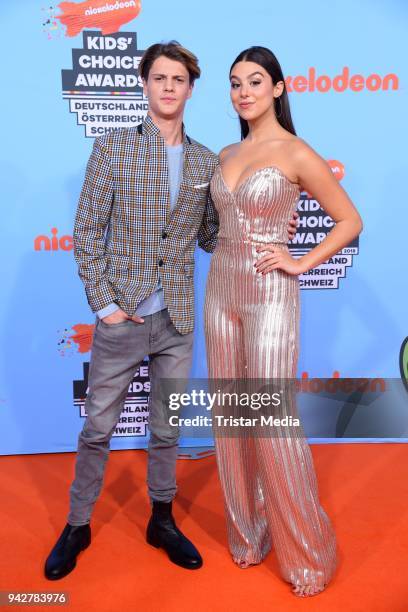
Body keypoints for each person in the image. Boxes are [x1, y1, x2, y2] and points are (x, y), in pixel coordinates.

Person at [44, 40, 299, 580]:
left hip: (179, 319)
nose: (167, 87)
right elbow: (87, 231)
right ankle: (77, 523)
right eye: (158, 77)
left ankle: (161, 518)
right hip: (125, 317)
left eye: (177, 79)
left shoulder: (209, 160)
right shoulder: (113, 148)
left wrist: (265, 227)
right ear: (144, 84)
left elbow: (211, 234)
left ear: (190, 88)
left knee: (167, 429)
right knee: (97, 429)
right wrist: (106, 304)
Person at [204, 46, 363, 597]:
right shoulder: (224, 153)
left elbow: (349, 220)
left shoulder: (296, 152)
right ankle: (249, 534)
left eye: (254, 81)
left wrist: (298, 261)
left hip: (271, 293)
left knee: (270, 418)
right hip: (219, 291)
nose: (243, 91)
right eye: (233, 83)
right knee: (233, 416)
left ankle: (310, 554)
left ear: (277, 88)